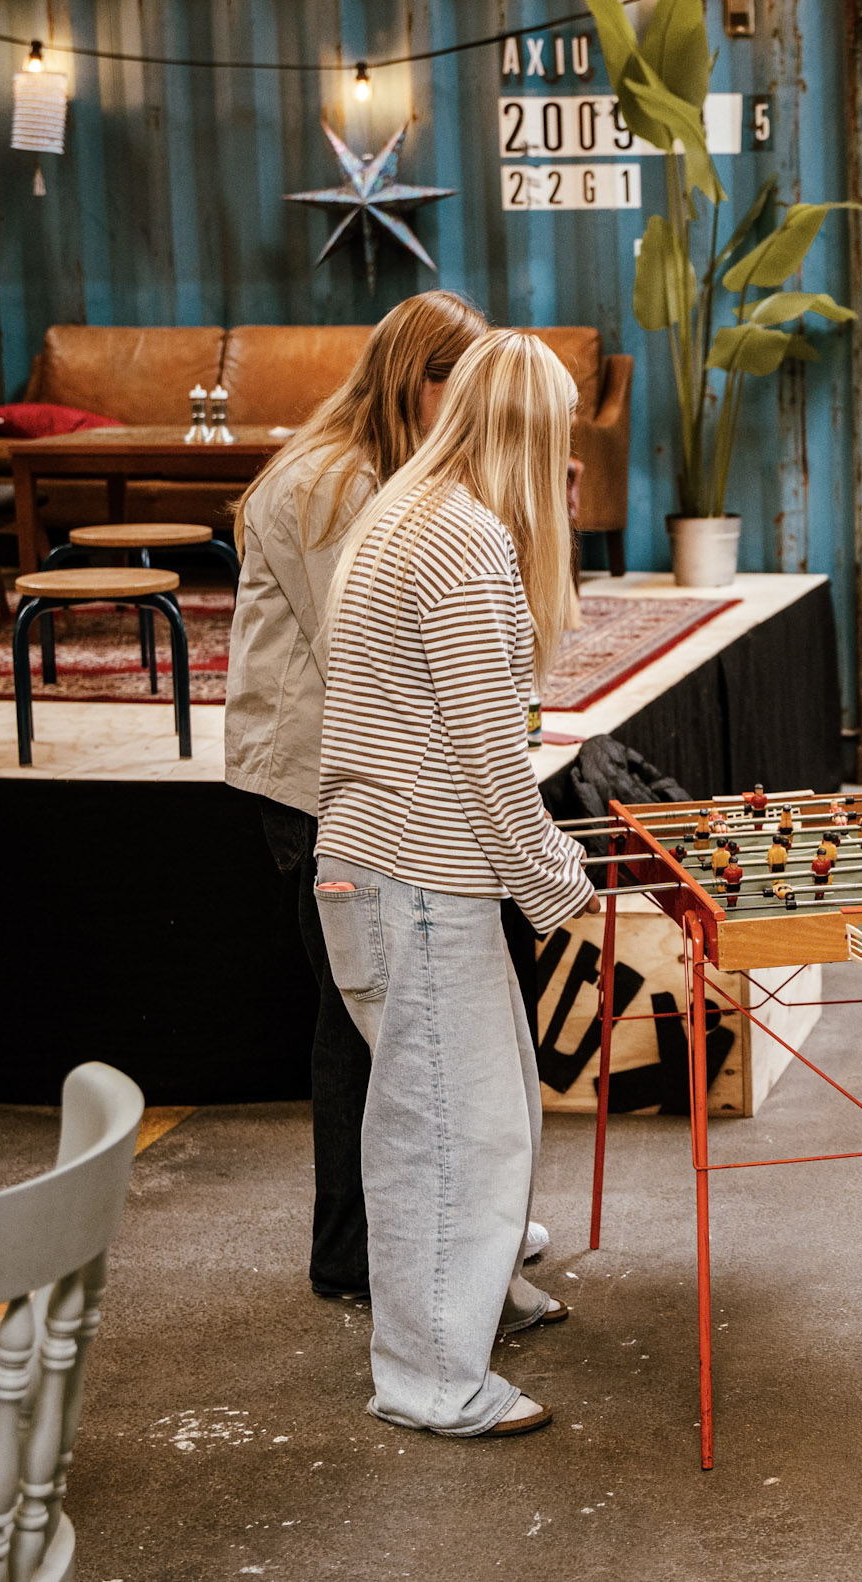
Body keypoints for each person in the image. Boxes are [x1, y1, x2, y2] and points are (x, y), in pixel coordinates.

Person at [314, 329, 597, 1438]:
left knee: (485, 1111)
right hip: (416, 880)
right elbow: (490, 753)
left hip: (389, 871)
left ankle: (479, 1296)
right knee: (449, 1138)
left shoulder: (409, 508)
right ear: (531, 430)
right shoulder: (466, 540)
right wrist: (557, 878)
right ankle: (430, 1378)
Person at [224, 289, 490, 1303]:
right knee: (358, 1018)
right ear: (416, 380)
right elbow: (372, 651)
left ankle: (405, 1232)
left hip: (359, 777)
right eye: (460, 387)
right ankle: (353, 1251)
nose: (471, 410)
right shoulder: (330, 484)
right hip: (315, 784)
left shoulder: (391, 469)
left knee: (375, 1015)